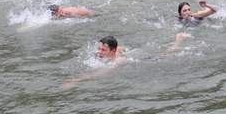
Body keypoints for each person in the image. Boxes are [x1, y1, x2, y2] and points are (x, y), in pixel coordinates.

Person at [61, 33, 192, 88]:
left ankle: (178, 39)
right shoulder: (114, 51)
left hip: (143, 61)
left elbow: (98, 74)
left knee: (166, 53)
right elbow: (121, 48)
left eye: (103, 50)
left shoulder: (116, 62)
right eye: (99, 49)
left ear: (112, 52)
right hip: (132, 55)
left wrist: (75, 80)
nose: (99, 52)